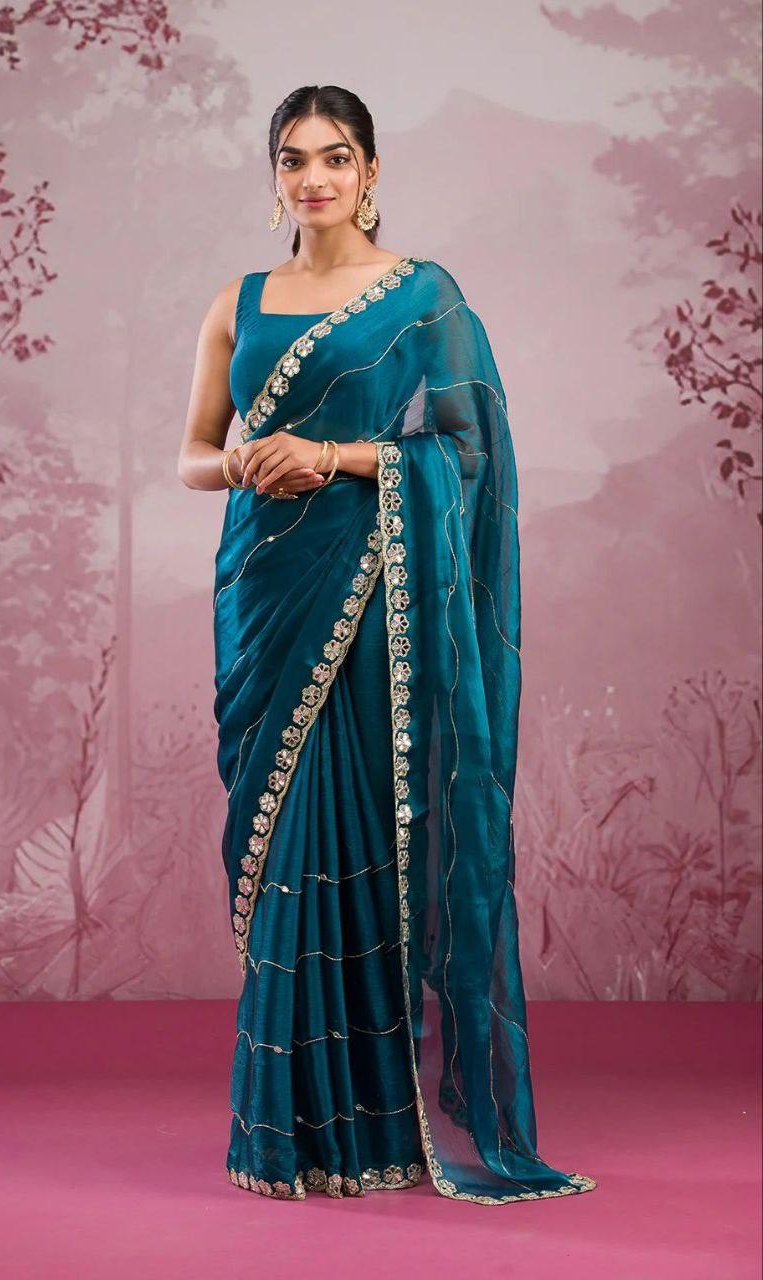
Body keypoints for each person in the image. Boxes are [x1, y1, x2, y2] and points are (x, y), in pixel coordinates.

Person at [178, 83, 597, 1206]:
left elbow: (467, 448)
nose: (313, 177)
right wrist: (248, 462)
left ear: (369, 172)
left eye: (335, 156)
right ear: (273, 175)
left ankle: (375, 1126)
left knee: (369, 834)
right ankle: (285, 1129)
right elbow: (193, 455)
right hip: (265, 592)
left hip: (372, 600)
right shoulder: (238, 301)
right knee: (277, 847)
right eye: (293, 158)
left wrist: (336, 457)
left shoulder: (421, 297)